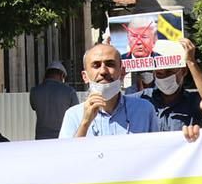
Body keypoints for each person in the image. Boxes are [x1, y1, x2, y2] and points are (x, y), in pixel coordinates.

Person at [58, 43, 191, 140]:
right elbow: (67, 161)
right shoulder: (73, 115)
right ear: (85, 76)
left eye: (110, 64)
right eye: (96, 65)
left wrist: (188, 140)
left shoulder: (144, 110)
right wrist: (85, 123)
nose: (103, 71)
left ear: (122, 73)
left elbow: (157, 155)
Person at [145, 38, 202, 131]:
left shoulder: (192, 101)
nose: (165, 78)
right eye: (160, 74)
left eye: (169, 72)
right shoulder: (144, 99)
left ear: (183, 71)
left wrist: (191, 62)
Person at [29, 61, 76, 140]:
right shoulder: (69, 91)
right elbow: (75, 111)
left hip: (41, 138)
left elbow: (34, 107)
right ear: (62, 75)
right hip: (64, 137)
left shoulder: (34, 91)